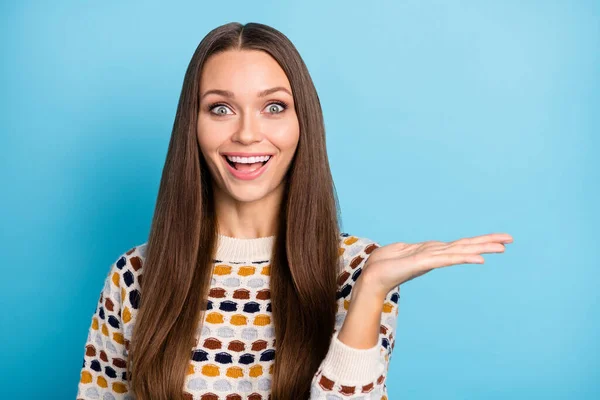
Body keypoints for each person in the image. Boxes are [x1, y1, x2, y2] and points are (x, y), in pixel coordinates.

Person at [75, 21, 513, 400]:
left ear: (303, 122)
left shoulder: (358, 269)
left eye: (274, 107)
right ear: (193, 125)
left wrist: (371, 290)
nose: (247, 134)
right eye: (221, 108)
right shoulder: (135, 275)